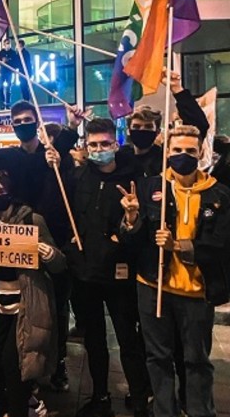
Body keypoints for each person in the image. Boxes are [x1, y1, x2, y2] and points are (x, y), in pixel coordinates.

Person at [119, 125, 230, 417]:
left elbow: (220, 244)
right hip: (153, 285)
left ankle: (199, 411)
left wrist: (178, 246)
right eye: (177, 150)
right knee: (157, 357)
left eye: (190, 150)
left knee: (196, 360)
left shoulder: (219, 194)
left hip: (196, 291)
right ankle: (164, 411)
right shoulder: (149, 188)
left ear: (201, 152)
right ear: (167, 152)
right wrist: (131, 219)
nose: (183, 155)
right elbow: (133, 242)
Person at [47, 118, 151, 417]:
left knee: (128, 339)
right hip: (84, 274)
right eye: (93, 144)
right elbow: (59, 210)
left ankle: (140, 397)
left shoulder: (134, 179)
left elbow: (141, 233)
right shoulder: (78, 177)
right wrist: (69, 246)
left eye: (104, 143)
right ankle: (100, 396)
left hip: (120, 274)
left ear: (115, 144)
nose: (99, 149)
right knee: (94, 341)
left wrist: (130, 221)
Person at [0, 171, 65, 417]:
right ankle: (28, 401)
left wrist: (50, 254)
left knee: (14, 364)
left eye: (0, 191)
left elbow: (59, 264)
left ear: (11, 192)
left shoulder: (33, 221)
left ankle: (19, 408)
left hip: (27, 304)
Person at [0, 39, 20, 108]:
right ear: (4, 44)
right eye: (7, 43)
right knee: (0, 87)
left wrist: (8, 60)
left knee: (8, 88)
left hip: (9, 72)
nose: (8, 44)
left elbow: (16, 63)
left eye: (9, 43)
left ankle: (8, 103)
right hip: (2, 72)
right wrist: (2, 61)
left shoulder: (13, 53)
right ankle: (2, 103)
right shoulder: (1, 52)